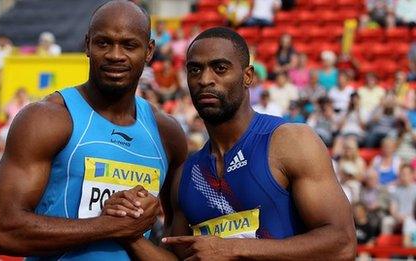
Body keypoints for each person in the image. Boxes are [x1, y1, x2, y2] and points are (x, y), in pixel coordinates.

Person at [104, 27, 356, 260]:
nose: (205, 79)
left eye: (220, 68)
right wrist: (127, 232)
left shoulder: (290, 142)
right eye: (195, 70)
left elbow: (342, 244)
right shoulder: (186, 175)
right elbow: (178, 257)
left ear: (248, 76)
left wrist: (233, 248)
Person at [0, 1, 187, 260]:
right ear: (87, 45)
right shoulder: (46, 119)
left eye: (129, 45)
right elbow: (4, 231)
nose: (115, 55)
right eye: (103, 43)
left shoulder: (167, 132)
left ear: (149, 50)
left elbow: (176, 241)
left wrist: (131, 236)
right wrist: (111, 226)